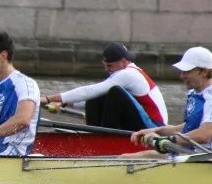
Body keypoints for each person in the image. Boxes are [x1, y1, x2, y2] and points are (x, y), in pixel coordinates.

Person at [127, 46, 212, 158]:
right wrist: (155, 131)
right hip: (183, 153)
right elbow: (187, 127)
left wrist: (164, 140)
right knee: (124, 157)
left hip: (201, 159)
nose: (182, 76)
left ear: (204, 72)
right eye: (182, 71)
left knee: (127, 159)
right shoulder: (194, 94)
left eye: (187, 71)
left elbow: (204, 134)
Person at [39, 42, 167, 131]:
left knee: (113, 92)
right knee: (101, 92)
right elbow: (93, 95)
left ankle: (104, 137)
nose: (106, 70)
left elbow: (89, 91)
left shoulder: (129, 74)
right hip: (144, 122)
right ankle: (97, 134)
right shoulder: (124, 72)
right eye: (104, 65)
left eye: (110, 66)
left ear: (123, 62)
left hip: (155, 128)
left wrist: (49, 99)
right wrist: (64, 103)